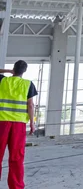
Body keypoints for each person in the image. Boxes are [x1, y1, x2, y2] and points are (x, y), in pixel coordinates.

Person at [0, 61, 37, 189]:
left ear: (13, 69)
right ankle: (16, 186)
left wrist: (7, 72)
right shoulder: (28, 84)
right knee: (16, 157)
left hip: (1, 122)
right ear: (24, 71)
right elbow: (30, 105)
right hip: (19, 125)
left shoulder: (2, 81)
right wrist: (32, 123)